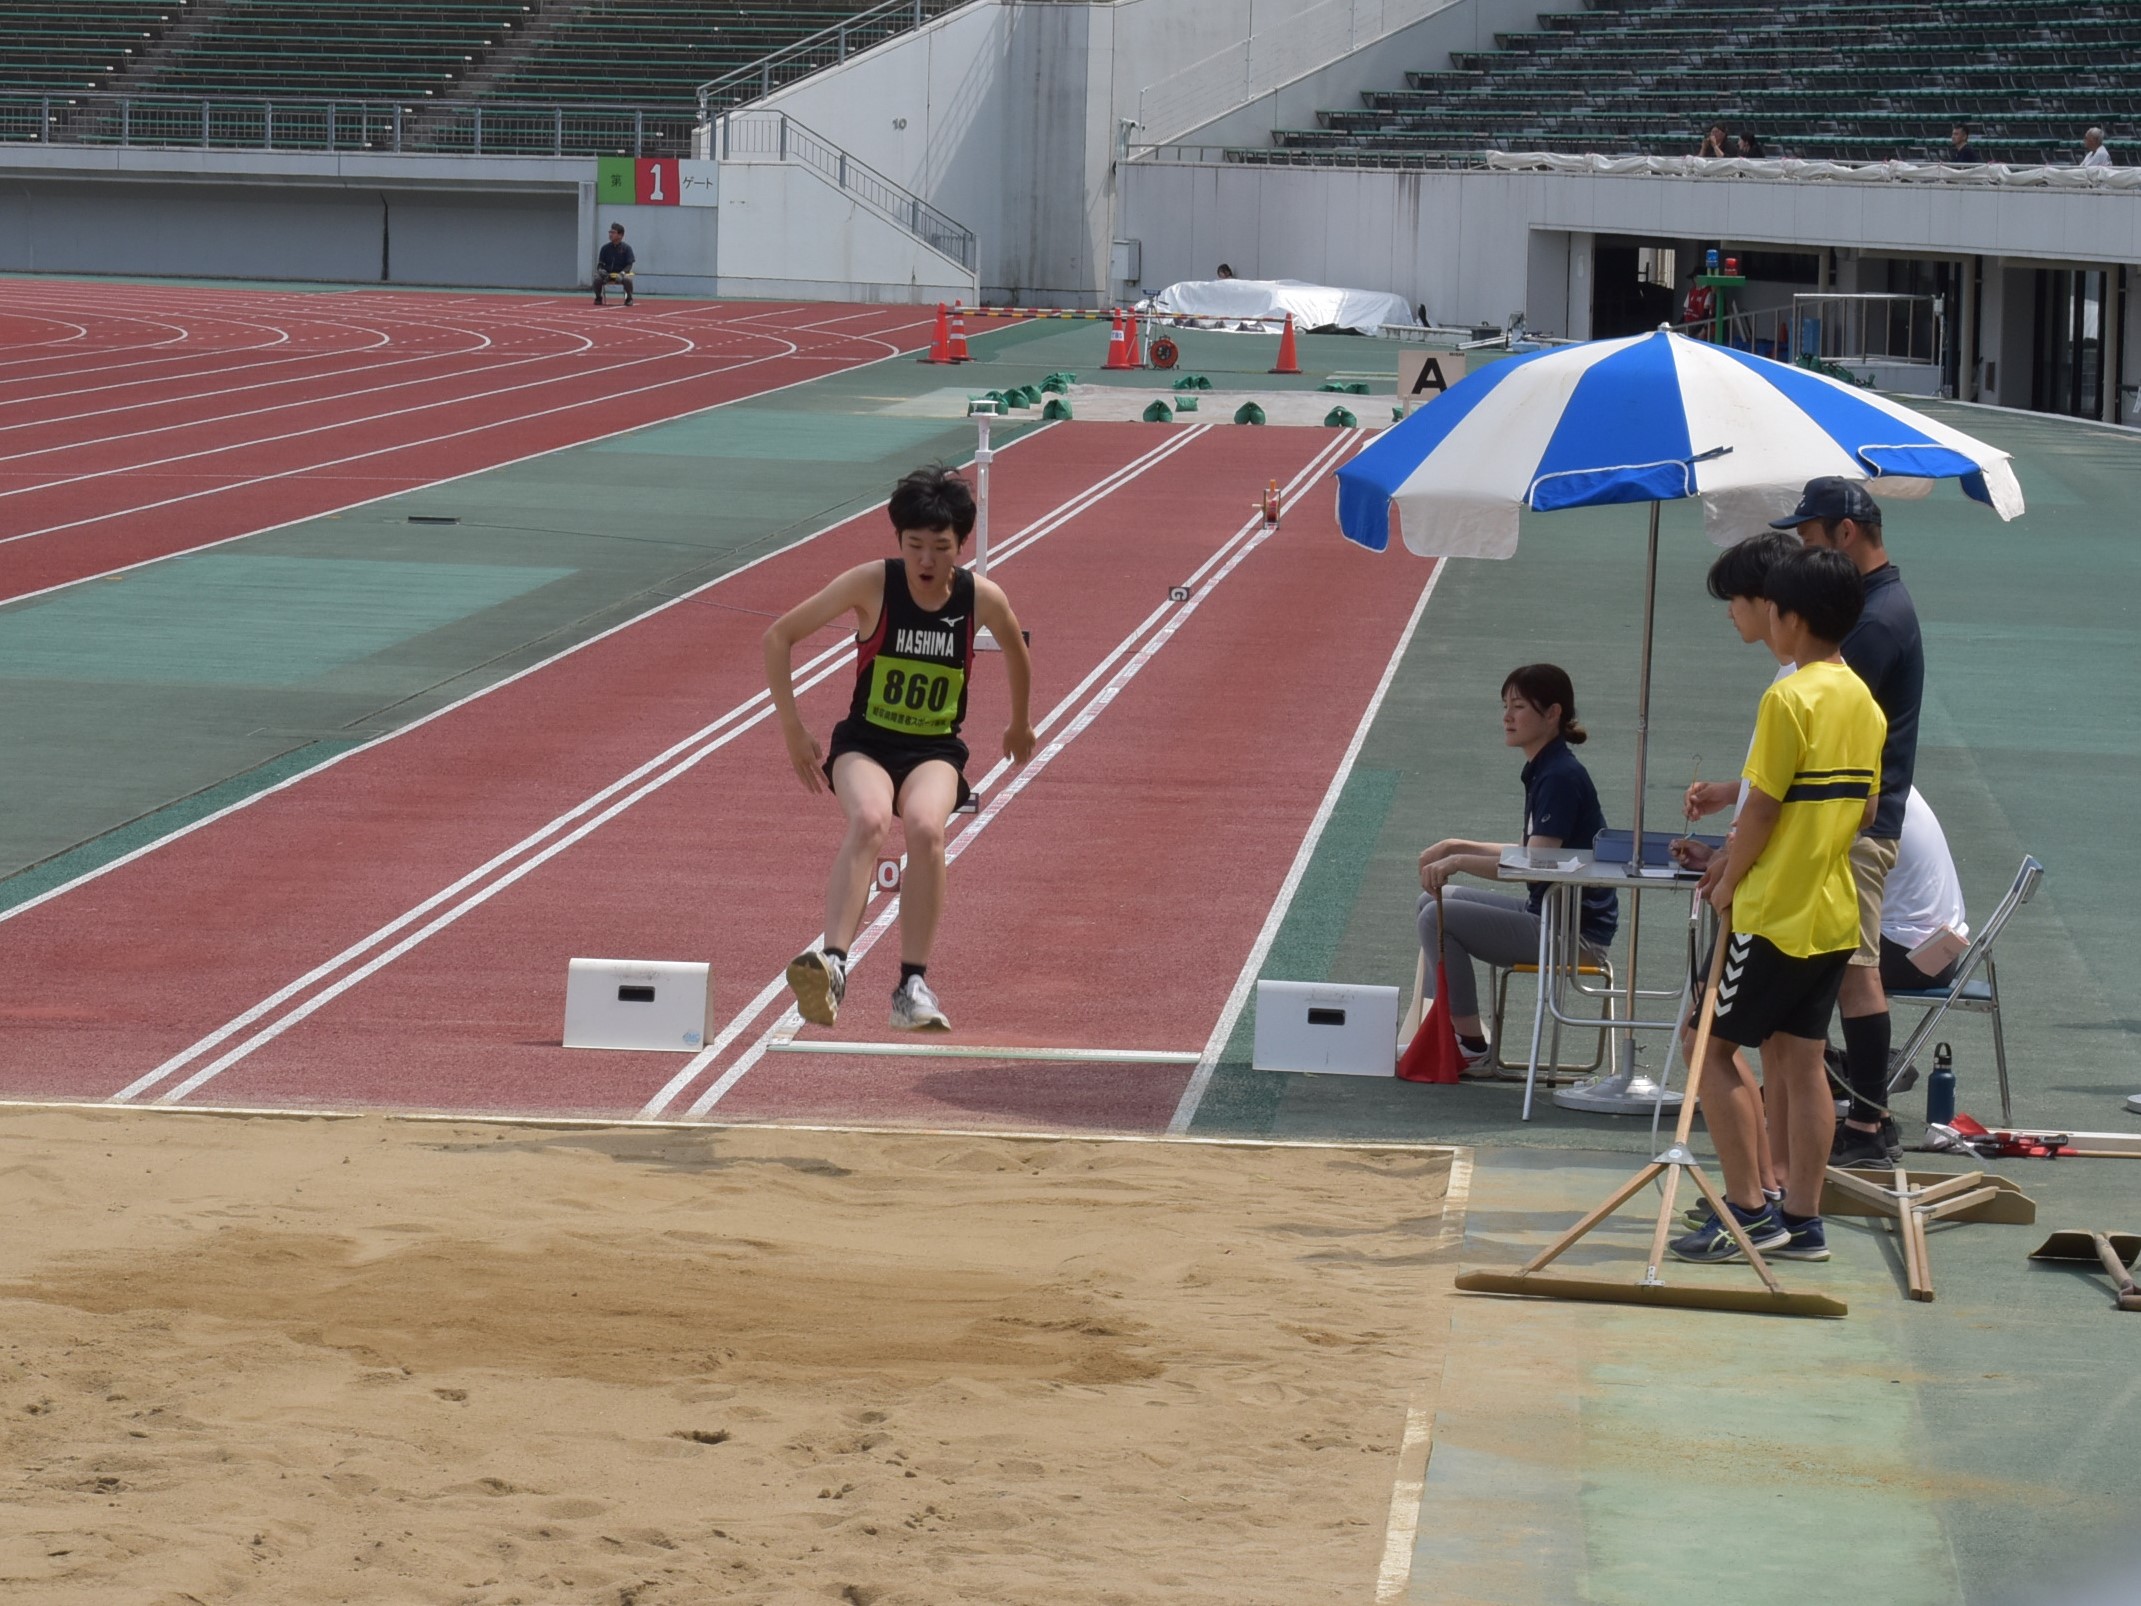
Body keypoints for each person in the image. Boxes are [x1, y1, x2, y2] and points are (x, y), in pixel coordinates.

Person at [763, 465, 1035, 1033]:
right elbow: (778, 637)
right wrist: (792, 729)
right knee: (866, 819)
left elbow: (1015, 647)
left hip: (934, 749)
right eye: (915, 547)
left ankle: (911, 984)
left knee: (926, 828)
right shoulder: (873, 584)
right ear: (899, 543)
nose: (926, 561)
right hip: (865, 742)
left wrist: (1019, 725)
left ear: (961, 546)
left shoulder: (979, 596)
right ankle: (833, 965)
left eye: (940, 548)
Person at [1671, 547, 1885, 1265]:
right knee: (1800, 1061)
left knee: (1705, 1049)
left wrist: (1731, 878)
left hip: (1770, 914)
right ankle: (1802, 1219)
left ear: (1786, 617)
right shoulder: (1862, 699)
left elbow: (1759, 809)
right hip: (1831, 913)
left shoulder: (1787, 697)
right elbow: (1867, 810)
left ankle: (1749, 1210)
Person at [1773, 478, 1921, 1168]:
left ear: (1845, 533)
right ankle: (1864, 1115)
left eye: (1808, 537)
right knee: (1850, 971)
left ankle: (1868, 1124)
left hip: (1856, 827)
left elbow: (1828, 721)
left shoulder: (1874, 622)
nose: (1804, 552)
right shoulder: (1877, 607)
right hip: (1857, 821)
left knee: (1858, 973)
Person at [1415, 665, 1618, 1071]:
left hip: (1571, 934)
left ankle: (1469, 1043)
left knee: (1439, 915)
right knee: (1430, 899)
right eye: (1505, 706)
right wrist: (1457, 844)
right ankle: (1447, 1027)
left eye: (1519, 706)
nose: (1507, 716)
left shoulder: (1559, 775)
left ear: (1553, 713)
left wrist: (1458, 861)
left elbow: (1533, 866)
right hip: (1547, 916)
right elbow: (1535, 851)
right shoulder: (1548, 767)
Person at [594, 223, 635, 307]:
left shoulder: (627, 248)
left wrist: (622, 273)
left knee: (628, 280)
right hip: (607, 274)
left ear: (620, 235)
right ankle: (598, 297)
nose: (610, 234)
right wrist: (601, 271)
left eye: (613, 232)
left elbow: (629, 265)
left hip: (621, 274)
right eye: (610, 232)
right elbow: (600, 264)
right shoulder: (605, 248)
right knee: (597, 279)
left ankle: (629, 298)